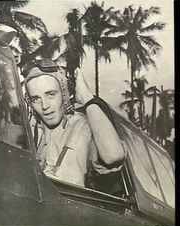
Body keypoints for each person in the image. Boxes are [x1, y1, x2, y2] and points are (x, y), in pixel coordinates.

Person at [22, 59, 125, 187]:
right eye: (36, 99)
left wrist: (86, 97)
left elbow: (113, 156)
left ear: (64, 95)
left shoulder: (82, 126)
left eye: (51, 95)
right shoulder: (25, 132)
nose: (44, 106)